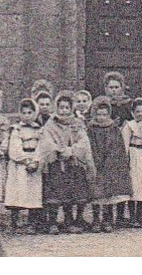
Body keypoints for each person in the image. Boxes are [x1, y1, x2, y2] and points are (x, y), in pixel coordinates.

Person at [40, 92, 95, 233]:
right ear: (56, 108)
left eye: (67, 108)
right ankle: (52, 221)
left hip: (72, 163)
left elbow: (83, 142)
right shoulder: (51, 124)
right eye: (61, 108)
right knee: (55, 192)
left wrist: (71, 150)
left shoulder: (77, 123)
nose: (64, 111)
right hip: (56, 163)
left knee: (72, 192)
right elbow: (46, 141)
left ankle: (70, 220)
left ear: (71, 109)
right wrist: (57, 150)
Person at [86, 96, 131, 231]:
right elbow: (89, 146)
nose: (102, 117)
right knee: (96, 193)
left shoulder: (113, 128)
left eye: (105, 114)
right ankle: (95, 219)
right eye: (98, 114)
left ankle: (108, 219)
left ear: (109, 114)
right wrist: (96, 159)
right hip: (96, 164)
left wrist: (110, 160)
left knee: (109, 195)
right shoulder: (91, 129)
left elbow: (117, 147)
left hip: (110, 165)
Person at [3, 98, 46, 233]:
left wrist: (35, 160)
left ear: (35, 114)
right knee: (18, 193)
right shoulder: (16, 129)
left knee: (33, 194)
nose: (27, 116)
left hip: (34, 164)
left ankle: (32, 222)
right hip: (20, 166)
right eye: (24, 113)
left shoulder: (38, 130)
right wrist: (26, 160)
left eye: (30, 113)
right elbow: (14, 150)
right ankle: (15, 222)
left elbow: (41, 147)